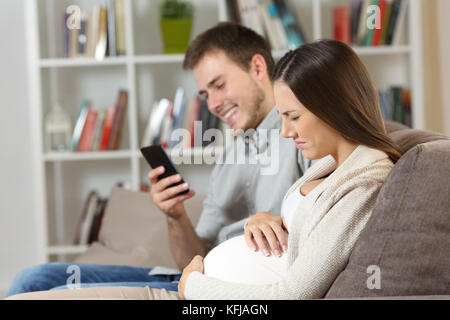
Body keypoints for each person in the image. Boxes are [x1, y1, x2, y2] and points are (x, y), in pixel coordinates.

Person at [7, 39, 402, 300]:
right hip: (194, 277)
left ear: (257, 67)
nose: (211, 104)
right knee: (35, 279)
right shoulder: (234, 153)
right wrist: (175, 215)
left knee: (32, 285)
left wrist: (196, 283)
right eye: (203, 94)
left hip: (208, 290)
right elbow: (194, 256)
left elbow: (299, 275)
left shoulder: (320, 149)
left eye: (218, 85)